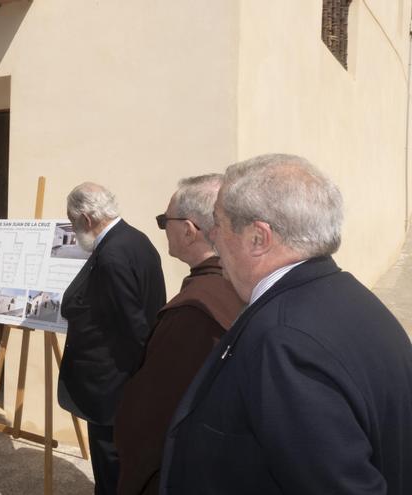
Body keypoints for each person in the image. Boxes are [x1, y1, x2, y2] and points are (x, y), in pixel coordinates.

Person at [162, 154, 412, 494]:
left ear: (257, 238)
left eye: (217, 223)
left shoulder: (283, 340)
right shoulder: (353, 299)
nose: (213, 237)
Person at [112, 174, 244, 495]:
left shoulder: (193, 313)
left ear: (188, 230)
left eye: (164, 221)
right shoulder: (246, 285)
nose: (163, 228)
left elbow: (149, 421)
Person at [57, 182, 165, 495]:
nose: (75, 232)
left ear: (86, 220)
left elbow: (133, 326)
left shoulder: (112, 255)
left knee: (110, 469)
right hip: (125, 382)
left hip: (112, 386)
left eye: (73, 222)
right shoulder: (135, 239)